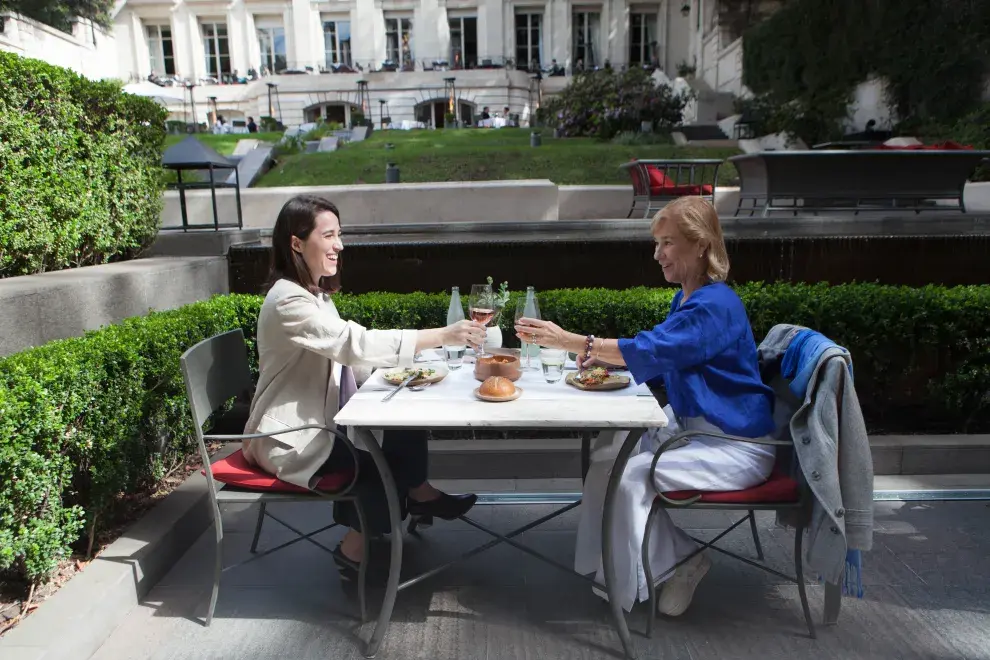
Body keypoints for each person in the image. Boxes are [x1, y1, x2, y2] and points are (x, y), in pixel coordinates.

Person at [515, 196, 776, 616]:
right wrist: (605, 357)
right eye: (657, 244)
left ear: (701, 245)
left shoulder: (716, 306)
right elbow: (660, 359)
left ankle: (680, 561)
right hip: (697, 431)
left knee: (632, 474)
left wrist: (574, 342)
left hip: (734, 445)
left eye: (668, 243)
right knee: (609, 454)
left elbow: (654, 349)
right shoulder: (688, 300)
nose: (658, 255)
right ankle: (604, 564)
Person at [243, 194, 485, 581]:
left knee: (405, 427)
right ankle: (352, 551)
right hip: (291, 436)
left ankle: (420, 495)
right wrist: (439, 336)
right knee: (380, 469)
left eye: (340, 235)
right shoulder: (288, 300)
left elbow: (349, 357)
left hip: (319, 423)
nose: (339, 244)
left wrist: (413, 365)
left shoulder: (314, 294)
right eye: (329, 235)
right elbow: (353, 344)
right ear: (296, 243)